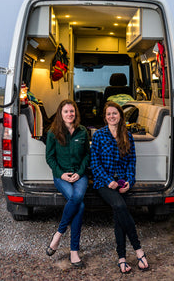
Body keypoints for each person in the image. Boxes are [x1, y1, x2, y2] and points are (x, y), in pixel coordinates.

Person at [90, 101, 149, 274]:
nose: (111, 116)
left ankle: (121, 258)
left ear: (120, 116)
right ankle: (139, 250)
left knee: (119, 215)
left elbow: (132, 161)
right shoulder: (99, 136)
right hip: (104, 183)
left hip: (122, 181)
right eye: (108, 114)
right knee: (120, 206)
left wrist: (130, 180)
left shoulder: (127, 135)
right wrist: (109, 180)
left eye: (114, 113)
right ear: (105, 117)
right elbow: (95, 163)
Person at [45, 99, 90, 268]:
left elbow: (87, 155)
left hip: (80, 175)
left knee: (77, 196)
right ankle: (74, 251)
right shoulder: (53, 132)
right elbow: (49, 157)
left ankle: (58, 234)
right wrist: (61, 174)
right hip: (61, 175)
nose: (69, 114)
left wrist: (79, 173)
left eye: (72, 111)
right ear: (60, 114)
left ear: (75, 113)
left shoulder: (82, 131)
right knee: (80, 204)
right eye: (66, 111)